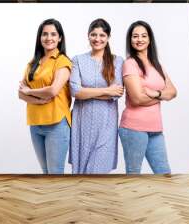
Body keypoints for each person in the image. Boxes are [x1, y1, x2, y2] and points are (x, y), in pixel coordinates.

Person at [119, 21, 177, 174]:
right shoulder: (130, 63)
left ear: (150, 39)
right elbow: (137, 99)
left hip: (156, 128)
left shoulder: (156, 64)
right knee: (134, 173)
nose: (139, 39)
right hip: (134, 128)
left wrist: (156, 93)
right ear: (130, 40)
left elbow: (173, 91)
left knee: (164, 172)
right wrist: (163, 96)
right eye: (135, 36)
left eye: (144, 36)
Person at [69, 18, 124, 174]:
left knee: (98, 172)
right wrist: (107, 90)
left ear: (108, 37)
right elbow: (75, 92)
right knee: (80, 172)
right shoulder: (78, 60)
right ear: (88, 36)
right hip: (81, 123)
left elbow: (117, 93)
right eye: (93, 35)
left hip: (106, 124)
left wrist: (87, 92)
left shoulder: (117, 61)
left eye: (102, 35)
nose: (97, 39)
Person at [18, 19, 72, 174]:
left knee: (55, 172)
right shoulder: (32, 63)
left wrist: (30, 92)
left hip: (57, 124)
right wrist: (39, 100)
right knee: (45, 172)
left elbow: (53, 90)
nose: (49, 38)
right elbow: (20, 93)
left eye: (53, 34)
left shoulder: (63, 61)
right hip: (35, 123)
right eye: (45, 34)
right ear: (40, 38)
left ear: (60, 38)